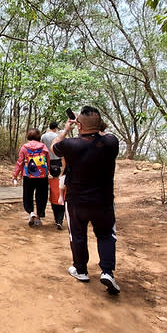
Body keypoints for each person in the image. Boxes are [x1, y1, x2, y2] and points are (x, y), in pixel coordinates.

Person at [51, 106, 121, 295]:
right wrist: (89, 124)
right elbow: (103, 133)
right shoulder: (111, 142)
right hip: (104, 201)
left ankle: (81, 269)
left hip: (76, 201)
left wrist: (67, 128)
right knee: (106, 235)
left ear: (79, 125)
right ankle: (107, 271)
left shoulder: (71, 145)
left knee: (78, 234)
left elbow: (54, 146)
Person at [12, 128, 50, 227]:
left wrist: (15, 175)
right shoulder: (44, 147)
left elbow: (20, 162)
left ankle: (30, 212)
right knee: (41, 196)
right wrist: (48, 172)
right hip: (42, 175)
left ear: (28, 136)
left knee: (27, 195)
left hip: (28, 175)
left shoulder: (24, 147)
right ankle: (39, 216)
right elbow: (48, 161)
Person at [41, 122, 66, 230]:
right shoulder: (57, 136)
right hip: (57, 160)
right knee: (58, 178)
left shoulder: (43, 136)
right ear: (55, 128)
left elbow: (42, 148)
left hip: (47, 160)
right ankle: (59, 219)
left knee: (51, 180)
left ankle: (56, 218)